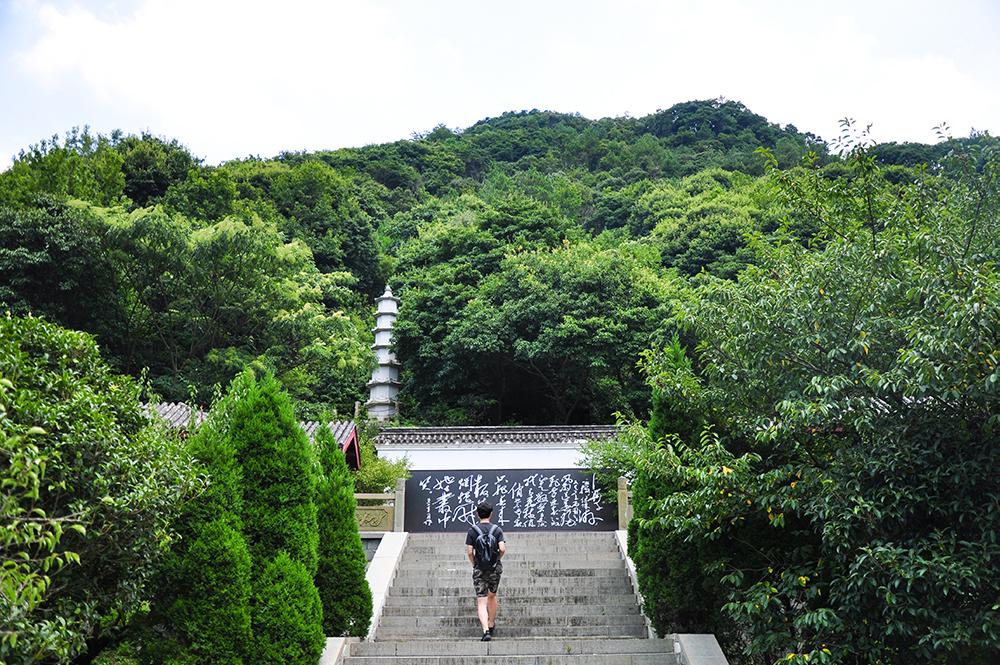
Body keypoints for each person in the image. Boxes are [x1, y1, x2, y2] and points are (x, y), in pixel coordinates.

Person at [465, 501, 505, 641]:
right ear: (491, 514)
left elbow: (470, 552)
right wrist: (497, 559)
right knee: (492, 596)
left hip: (480, 569)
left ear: (477, 514)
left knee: (481, 601)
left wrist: (475, 564)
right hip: (495, 568)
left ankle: (485, 631)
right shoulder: (497, 530)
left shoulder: (473, 531)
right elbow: (502, 549)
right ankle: (491, 623)